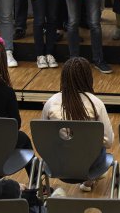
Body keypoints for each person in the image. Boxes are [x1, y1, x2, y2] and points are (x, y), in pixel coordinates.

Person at [42, 57, 114, 192]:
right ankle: (88, 181)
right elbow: (108, 141)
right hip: (90, 165)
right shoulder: (96, 103)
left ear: (63, 78)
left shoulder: (51, 102)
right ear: (88, 77)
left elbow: (45, 138)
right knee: (98, 146)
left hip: (58, 164)